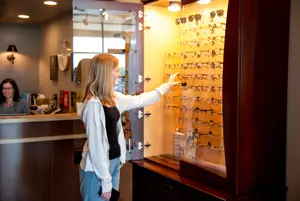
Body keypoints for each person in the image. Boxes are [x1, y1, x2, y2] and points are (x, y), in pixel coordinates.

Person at [79, 54, 179, 201]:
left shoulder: (113, 98)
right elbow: (96, 147)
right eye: (116, 70)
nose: (119, 75)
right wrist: (105, 180)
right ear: (106, 73)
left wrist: (166, 86)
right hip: (97, 170)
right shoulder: (93, 104)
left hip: (114, 164)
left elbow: (140, 100)